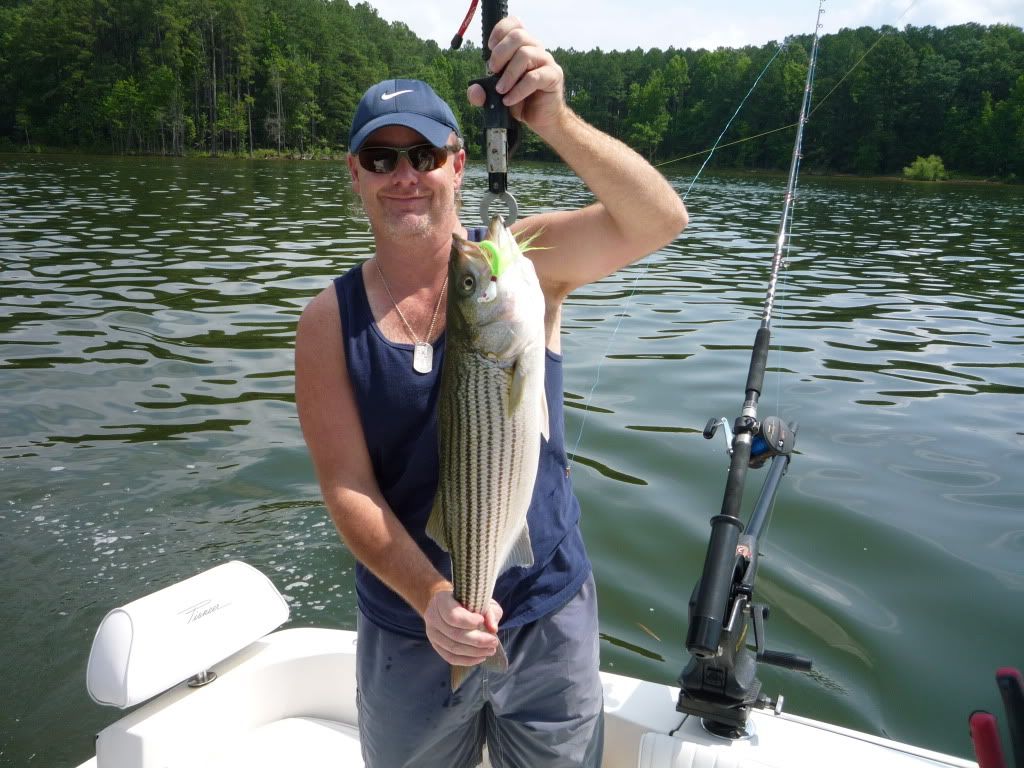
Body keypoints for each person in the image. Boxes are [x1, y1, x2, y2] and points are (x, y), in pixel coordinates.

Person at [294, 17, 688, 768]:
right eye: (382, 157)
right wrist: (434, 600)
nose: (405, 174)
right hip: (410, 630)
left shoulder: (523, 263)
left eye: (424, 154)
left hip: (548, 614)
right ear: (355, 173)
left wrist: (555, 119)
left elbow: (659, 219)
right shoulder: (326, 322)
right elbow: (347, 487)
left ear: (458, 163)